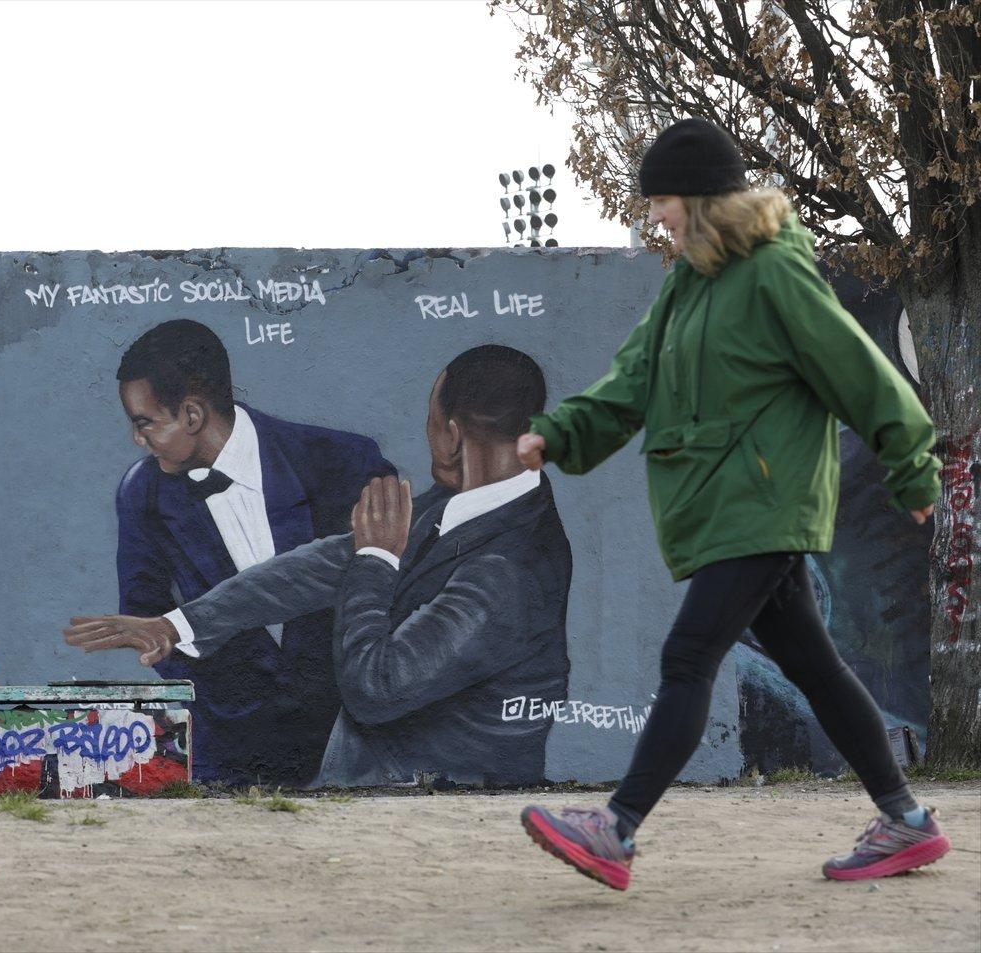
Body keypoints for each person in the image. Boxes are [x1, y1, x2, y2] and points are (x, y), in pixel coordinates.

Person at [517, 119, 951, 890]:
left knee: (689, 656)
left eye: (664, 202)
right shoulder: (688, 287)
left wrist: (910, 467)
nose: (656, 218)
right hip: (729, 507)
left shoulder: (775, 272)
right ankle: (906, 820)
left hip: (765, 501)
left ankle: (615, 828)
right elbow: (630, 383)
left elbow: (859, 368)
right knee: (816, 666)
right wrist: (558, 434)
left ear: (704, 200)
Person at [65, 345, 573, 786]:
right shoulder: (454, 504)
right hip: (372, 790)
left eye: (431, 420)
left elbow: (376, 687)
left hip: (437, 812)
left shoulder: (510, 569)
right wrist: (178, 625)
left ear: (453, 434)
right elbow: (321, 566)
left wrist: (376, 559)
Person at [84, 318, 394, 786]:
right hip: (231, 752)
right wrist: (226, 698)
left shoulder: (341, 461)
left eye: (144, 423)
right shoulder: (142, 492)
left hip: (349, 744)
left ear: (191, 415)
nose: (137, 439)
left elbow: (388, 580)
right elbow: (145, 609)